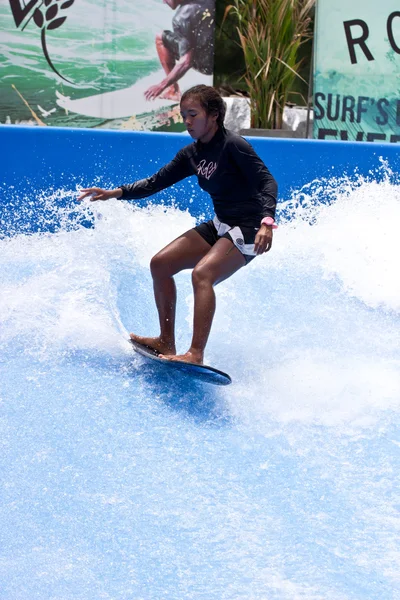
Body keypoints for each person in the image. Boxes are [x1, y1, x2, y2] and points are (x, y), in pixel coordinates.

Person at [78, 85, 278, 365]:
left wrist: (267, 222)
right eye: (183, 115)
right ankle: (165, 340)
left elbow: (267, 181)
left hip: (248, 230)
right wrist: (117, 192)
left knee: (202, 275)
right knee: (160, 264)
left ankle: (195, 354)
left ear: (214, 115)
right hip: (221, 224)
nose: (187, 121)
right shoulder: (191, 154)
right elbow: (155, 182)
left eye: (193, 114)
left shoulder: (234, 145)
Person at [144, 0, 215, 101]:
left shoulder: (182, 16)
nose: (164, 2)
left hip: (207, 66)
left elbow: (186, 62)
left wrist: (161, 85)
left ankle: (173, 91)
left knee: (160, 38)